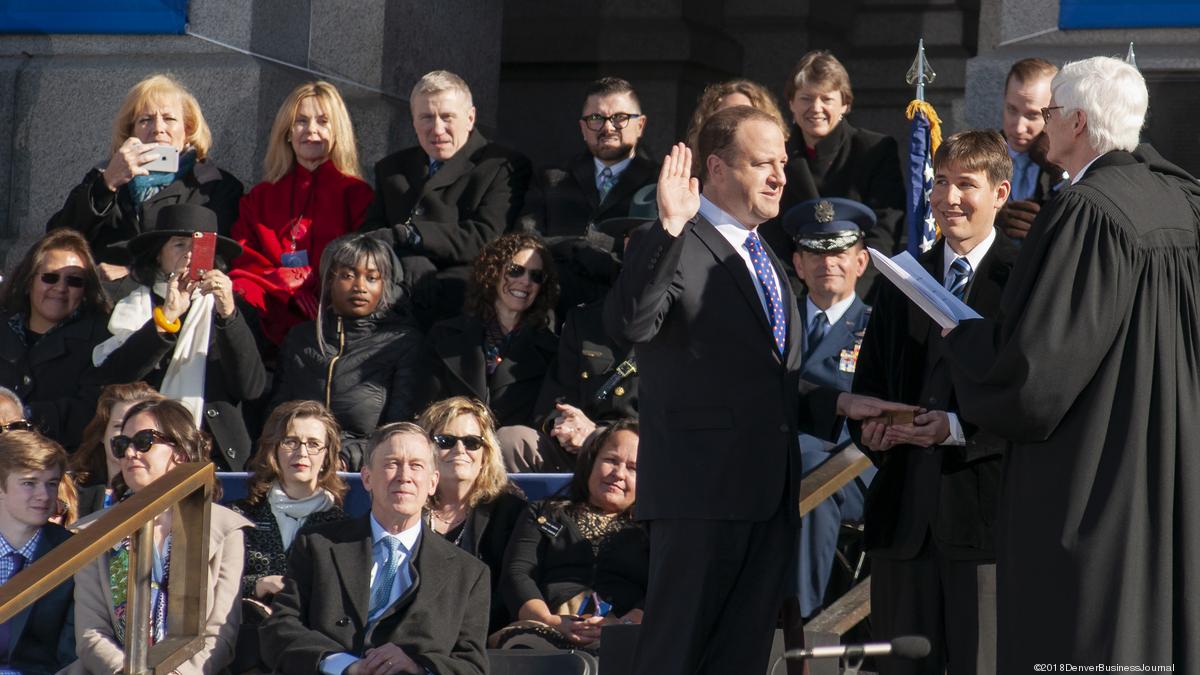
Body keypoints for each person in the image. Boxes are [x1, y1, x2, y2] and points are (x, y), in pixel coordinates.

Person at [605, 106, 912, 675]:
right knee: (677, 657)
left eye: (782, 162)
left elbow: (761, 384)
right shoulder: (679, 239)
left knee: (740, 660)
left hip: (768, 503)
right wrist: (668, 227)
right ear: (716, 169)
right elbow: (632, 324)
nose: (779, 176)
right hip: (701, 500)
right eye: (761, 163)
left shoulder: (766, 257)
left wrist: (837, 403)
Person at [935, 57, 1200, 672]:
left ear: (1078, 121)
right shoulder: (1181, 199)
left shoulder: (1087, 212)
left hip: (1095, 476)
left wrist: (965, 336)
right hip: (1170, 464)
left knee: (1084, 642)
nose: (1041, 126)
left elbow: (1035, 379)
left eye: (1050, 113)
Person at [851, 130, 1017, 675]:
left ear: (1000, 193)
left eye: (965, 184)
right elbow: (871, 384)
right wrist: (872, 430)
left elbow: (1037, 400)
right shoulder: (904, 278)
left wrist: (956, 427)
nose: (948, 198)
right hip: (904, 524)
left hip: (985, 525)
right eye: (939, 181)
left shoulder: (1024, 279)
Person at [260, 422, 490, 675]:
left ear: (432, 482)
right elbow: (280, 629)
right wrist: (344, 665)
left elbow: (472, 666)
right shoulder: (317, 545)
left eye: (416, 466)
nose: (405, 476)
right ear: (367, 478)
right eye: (392, 464)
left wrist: (417, 668)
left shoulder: (468, 573)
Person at [68, 398, 251, 675]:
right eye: (121, 444)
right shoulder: (93, 532)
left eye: (143, 441)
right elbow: (91, 633)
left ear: (181, 450)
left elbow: (220, 634)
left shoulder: (225, 528)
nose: (129, 452)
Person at [91, 203, 267, 471]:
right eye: (180, 245)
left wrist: (228, 315)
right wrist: (167, 317)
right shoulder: (132, 306)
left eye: (200, 248)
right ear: (158, 256)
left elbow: (251, 386)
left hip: (215, 455)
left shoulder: (232, 310)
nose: (189, 256)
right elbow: (114, 378)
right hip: (145, 453)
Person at [361, 70, 532, 327]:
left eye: (447, 117)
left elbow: (487, 237)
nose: (437, 129)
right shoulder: (391, 168)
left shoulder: (501, 165)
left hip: (459, 308)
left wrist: (414, 237)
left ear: (470, 117)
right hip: (391, 294)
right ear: (413, 121)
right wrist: (406, 258)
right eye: (427, 117)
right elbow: (371, 231)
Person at [47, 73, 243, 290]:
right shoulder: (105, 175)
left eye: (169, 119)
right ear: (130, 132)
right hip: (101, 302)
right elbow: (57, 240)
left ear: (187, 130)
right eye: (145, 120)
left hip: (174, 303)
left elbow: (216, 259)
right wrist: (107, 184)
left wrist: (134, 275)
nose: (158, 128)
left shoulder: (214, 185)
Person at [780, 197, 876, 619]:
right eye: (816, 254)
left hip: (854, 470)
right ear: (798, 265)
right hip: (774, 468)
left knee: (816, 485)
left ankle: (801, 623)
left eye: (838, 252)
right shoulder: (775, 325)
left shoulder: (879, 329)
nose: (828, 263)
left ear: (861, 262)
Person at [230, 81, 375, 347]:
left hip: (329, 309)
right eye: (301, 121)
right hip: (269, 303)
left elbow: (361, 262)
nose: (311, 130)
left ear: (337, 131)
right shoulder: (261, 196)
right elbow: (242, 255)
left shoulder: (357, 195)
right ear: (287, 132)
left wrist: (314, 284)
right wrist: (284, 284)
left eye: (323, 121)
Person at [272, 234, 422, 470]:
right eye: (347, 275)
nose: (360, 287)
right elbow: (277, 417)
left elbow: (397, 431)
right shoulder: (300, 339)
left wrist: (345, 458)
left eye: (372, 278)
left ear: (385, 285)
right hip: (298, 464)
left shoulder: (401, 343)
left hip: (364, 472)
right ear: (329, 280)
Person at [496, 419, 645, 651]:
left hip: (625, 637)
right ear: (591, 462)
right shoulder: (544, 512)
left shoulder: (652, 530)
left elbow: (663, 587)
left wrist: (623, 625)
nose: (618, 473)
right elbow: (518, 573)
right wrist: (548, 621)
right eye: (610, 460)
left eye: (633, 468)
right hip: (546, 631)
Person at [518, 77, 657, 319]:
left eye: (620, 118)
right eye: (596, 118)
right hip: (553, 311)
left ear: (640, 125)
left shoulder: (661, 182)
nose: (607, 127)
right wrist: (578, 248)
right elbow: (526, 240)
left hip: (624, 312)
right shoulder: (551, 178)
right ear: (583, 128)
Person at [229, 400, 348, 672]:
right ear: (273, 449)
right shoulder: (239, 516)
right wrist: (258, 584)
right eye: (290, 442)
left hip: (312, 649)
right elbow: (209, 584)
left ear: (327, 455)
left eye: (313, 443)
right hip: (246, 643)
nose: (302, 452)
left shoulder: (345, 528)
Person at [777, 50, 906, 297]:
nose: (816, 108)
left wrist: (850, 300)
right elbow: (774, 235)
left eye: (826, 99)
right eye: (806, 98)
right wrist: (797, 302)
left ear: (845, 103)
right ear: (791, 103)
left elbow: (884, 233)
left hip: (860, 293)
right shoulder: (778, 157)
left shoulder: (875, 150)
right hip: (796, 295)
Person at [421, 233, 559, 429]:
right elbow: (426, 409)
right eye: (515, 270)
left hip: (509, 455)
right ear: (492, 273)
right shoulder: (445, 335)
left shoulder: (550, 350)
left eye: (536, 276)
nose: (526, 281)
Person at [417, 396, 527, 632]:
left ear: (486, 453)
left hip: (482, 633)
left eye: (471, 442)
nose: (460, 450)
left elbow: (509, 588)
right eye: (445, 441)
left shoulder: (510, 510)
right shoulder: (408, 506)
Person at [0, 229, 111, 448]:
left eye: (74, 281)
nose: (60, 288)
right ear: (29, 280)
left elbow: (91, 411)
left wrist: (22, 416)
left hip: (60, 465)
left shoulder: (101, 340)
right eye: (50, 277)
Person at [0, 430, 76, 674]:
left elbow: (70, 654)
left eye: (51, 484)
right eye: (29, 483)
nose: (44, 496)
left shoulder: (74, 553)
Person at [70, 382, 166, 519]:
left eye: (140, 430)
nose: (130, 435)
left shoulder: (172, 493)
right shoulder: (71, 489)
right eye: (120, 426)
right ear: (102, 433)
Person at [997, 57, 1060, 242]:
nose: (1018, 127)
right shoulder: (981, 155)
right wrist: (990, 221)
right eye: (1012, 110)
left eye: (1032, 115)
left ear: (1053, 112)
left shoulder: (1066, 164)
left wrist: (1057, 167)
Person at [684, 79, 788, 174]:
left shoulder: (781, 181)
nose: (734, 120)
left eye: (746, 114)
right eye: (727, 115)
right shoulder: (685, 181)